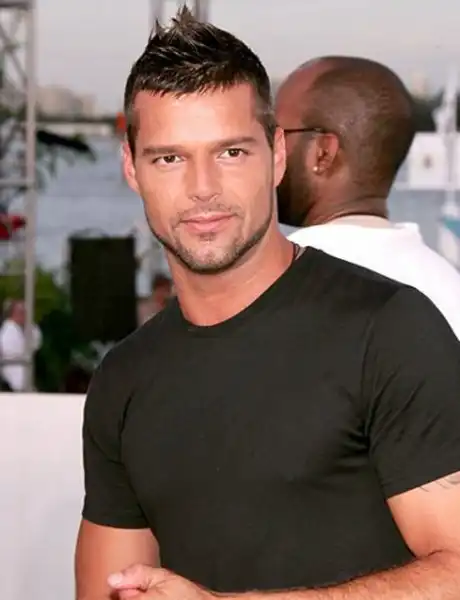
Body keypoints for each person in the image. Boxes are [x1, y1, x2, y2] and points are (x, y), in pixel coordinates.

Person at [75, 9, 460, 600]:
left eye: (230, 153)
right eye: (169, 158)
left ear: (277, 155)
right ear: (131, 167)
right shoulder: (124, 378)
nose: (203, 188)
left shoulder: (388, 331)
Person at [276, 56, 460, 339]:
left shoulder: (277, 284)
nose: (268, 151)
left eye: (276, 135)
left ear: (323, 154)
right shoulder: (445, 285)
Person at [0, 298, 42, 391]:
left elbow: (36, 343)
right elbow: (10, 352)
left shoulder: (27, 327)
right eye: (21, 312)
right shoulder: (9, 329)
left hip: (24, 370)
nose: (24, 315)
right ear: (13, 313)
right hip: (12, 369)